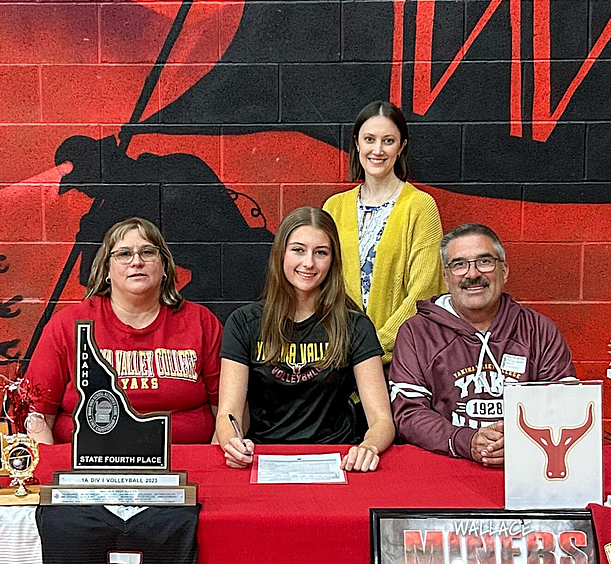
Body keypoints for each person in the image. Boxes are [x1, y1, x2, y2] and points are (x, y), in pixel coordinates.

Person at [216, 207, 394, 472]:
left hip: (338, 459)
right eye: (298, 250)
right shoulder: (244, 322)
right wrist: (233, 443)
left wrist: (368, 447)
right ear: (281, 254)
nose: (309, 263)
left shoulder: (355, 325)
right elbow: (227, 412)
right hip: (263, 458)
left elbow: (381, 419)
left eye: (321, 252)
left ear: (333, 260)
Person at [388, 223, 576, 466]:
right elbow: (409, 414)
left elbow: (566, 404)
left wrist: (521, 439)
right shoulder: (417, 333)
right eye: (459, 265)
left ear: (505, 271)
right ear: (445, 278)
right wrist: (466, 441)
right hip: (446, 468)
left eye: (485, 262)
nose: (472, 274)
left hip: (528, 466)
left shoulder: (539, 331)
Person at [25, 217, 223, 444]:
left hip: (185, 469)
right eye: (124, 254)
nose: (136, 262)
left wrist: (212, 467)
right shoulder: (67, 325)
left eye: (148, 252)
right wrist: (48, 471)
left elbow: (230, 414)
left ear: (165, 266)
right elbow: (36, 416)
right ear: (107, 270)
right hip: (86, 471)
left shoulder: (201, 322)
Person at [323, 101, 445, 361]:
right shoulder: (334, 207)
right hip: (339, 358)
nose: (377, 150)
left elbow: (425, 291)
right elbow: (323, 284)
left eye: (388, 141)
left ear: (401, 147)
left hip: (400, 359)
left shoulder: (420, 206)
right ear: (357, 143)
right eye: (370, 139)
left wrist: (373, 348)